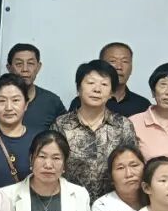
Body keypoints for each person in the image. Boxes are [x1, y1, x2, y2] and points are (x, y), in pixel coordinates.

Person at [53, 60, 138, 202]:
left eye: (104, 84)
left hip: (113, 204)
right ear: (78, 88)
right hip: (70, 202)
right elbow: (54, 165)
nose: (97, 89)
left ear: (111, 93)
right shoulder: (61, 124)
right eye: (91, 83)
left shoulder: (123, 125)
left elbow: (132, 167)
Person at [0, 74, 33, 189]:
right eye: (2, 101)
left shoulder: (38, 140)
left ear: (26, 105)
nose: (8, 107)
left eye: (15, 100)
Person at [69, 42, 151, 116]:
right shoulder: (82, 102)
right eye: (113, 61)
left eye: (125, 61)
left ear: (131, 68)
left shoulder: (142, 105)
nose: (119, 67)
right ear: (101, 65)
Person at [6, 44, 66, 139]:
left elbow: (64, 138)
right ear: (9, 68)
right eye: (19, 64)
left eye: (30, 63)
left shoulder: (52, 101)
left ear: (38, 67)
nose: (25, 69)